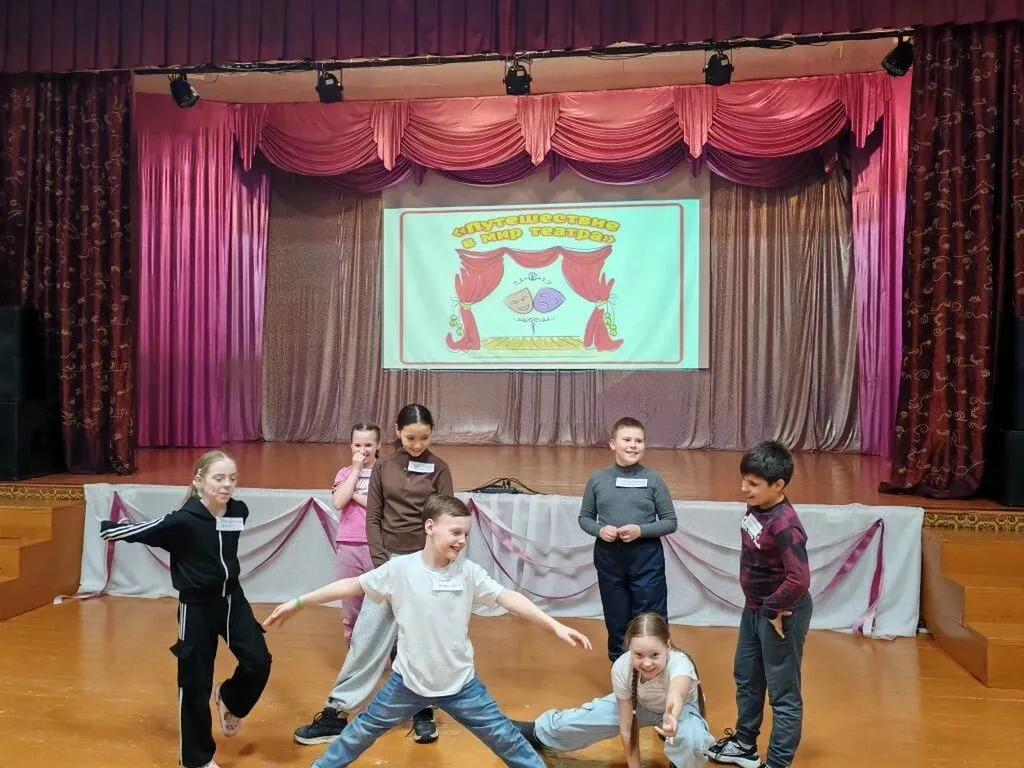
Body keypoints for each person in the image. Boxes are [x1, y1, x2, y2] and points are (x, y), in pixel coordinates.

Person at [264, 494, 592, 768]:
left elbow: (508, 597)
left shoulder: (469, 573)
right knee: (360, 732)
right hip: (407, 683)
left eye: (466, 534)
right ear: (430, 527)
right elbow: (352, 584)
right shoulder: (400, 569)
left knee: (506, 739)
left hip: (462, 685)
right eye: (455, 532)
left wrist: (554, 625)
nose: (462, 541)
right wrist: (299, 602)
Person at [99, 451, 272, 768]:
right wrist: (110, 527)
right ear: (199, 480)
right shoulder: (182, 521)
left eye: (232, 478)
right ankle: (196, 759)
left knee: (259, 661)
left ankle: (230, 699)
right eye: (219, 478)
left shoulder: (238, 511)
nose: (227, 484)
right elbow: (146, 530)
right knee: (194, 683)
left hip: (232, 601)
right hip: (196, 608)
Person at [294, 403, 453, 746]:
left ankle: (423, 712)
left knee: (419, 641)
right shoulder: (383, 467)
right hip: (389, 563)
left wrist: (432, 564)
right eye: (410, 438)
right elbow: (374, 518)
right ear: (397, 432)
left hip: (425, 564)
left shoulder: (440, 469)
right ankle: (337, 713)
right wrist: (383, 564)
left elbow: (445, 521)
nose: (417, 445)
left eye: (424, 438)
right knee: (366, 636)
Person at [705, 441, 812, 768]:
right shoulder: (758, 506)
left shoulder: (785, 525)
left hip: (781, 614)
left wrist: (771, 609)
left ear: (778, 485)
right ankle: (744, 744)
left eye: (752, 484)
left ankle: (777, 763)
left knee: (783, 694)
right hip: (756, 608)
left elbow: (799, 579)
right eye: (744, 480)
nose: (743, 488)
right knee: (747, 677)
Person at [512, 612, 713, 768]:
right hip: (639, 705)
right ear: (629, 648)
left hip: (679, 711)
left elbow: (676, 693)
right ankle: (537, 732)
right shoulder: (621, 667)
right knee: (581, 720)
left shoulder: (680, 662)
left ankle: (679, 762)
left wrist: (672, 717)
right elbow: (626, 727)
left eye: (654, 655)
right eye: (639, 654)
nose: (647, 663)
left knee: (693, 741)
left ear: (667, 647)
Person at [579, 416, 678, 661]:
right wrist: (600, 531)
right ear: (613, 444)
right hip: (609, 558)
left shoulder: (653, 480)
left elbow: (670, 522)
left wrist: (640, 530)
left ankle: (655, 668)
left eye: (639, 441)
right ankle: (621, 668)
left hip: (646, 559)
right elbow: (585, 518)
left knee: (650, 619)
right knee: (616, 617)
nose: (633, 445)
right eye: (627, 440)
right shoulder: (598, 479)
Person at [331, 422, 381, 643]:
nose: (363, 450)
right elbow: (338, 502)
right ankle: (354, 652)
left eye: (368, 445)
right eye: (358, 444)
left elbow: (379, 507)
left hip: (377, 544)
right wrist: (356, 470)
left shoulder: (384, 472)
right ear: (351, 445)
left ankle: (381, 653)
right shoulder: (345, 473)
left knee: (379, 602)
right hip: (348, 543)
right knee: (351, 604)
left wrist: (353, 494)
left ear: (378, 445)